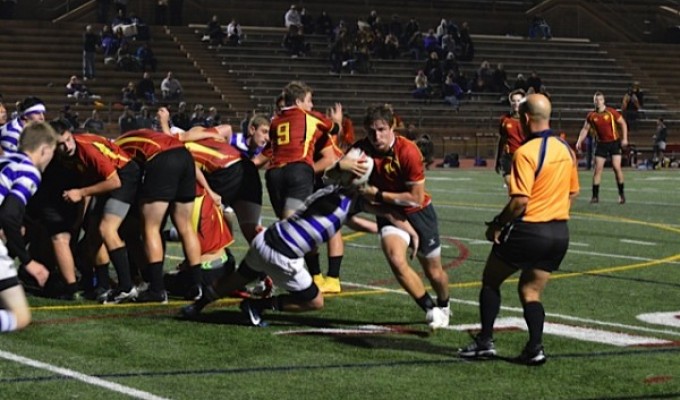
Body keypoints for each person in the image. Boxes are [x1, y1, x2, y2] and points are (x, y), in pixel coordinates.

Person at [180, 152, 418, 326]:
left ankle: (197, 307)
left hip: (265, 241)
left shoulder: (339, 199)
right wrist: (342, 167)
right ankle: (259, 306)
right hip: (283, 254)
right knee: (315, 302)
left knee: (235, 280)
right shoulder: (339, 195)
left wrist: (401, 230)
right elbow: (341, 184)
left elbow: (370, 215)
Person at [458, 93, 579, 365]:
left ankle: (485, 342)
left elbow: (520, 201)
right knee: (530, 291)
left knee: (491, 280)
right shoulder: (565, 149)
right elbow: (573, 192)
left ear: (525, 118)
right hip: (559, 233)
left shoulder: (525, 152)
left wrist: (497, 225)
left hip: (530, 231)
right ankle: (535, 347)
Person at [353, 104, 451, 330]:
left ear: (392, 128)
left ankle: (444, 303)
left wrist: (377, 194)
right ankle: (430, 308)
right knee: (396, 259)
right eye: (371, 131)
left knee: (434, 272)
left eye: (381, 129)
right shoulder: (360, 151)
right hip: (388, 213)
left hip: (418, 212)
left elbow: (415, 198)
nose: (376, 135)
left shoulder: (408, 151)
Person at [115, 109, 203, 303]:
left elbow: (126, 174)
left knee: (150, 228)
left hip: (162, 159)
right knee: (186, 227)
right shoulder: (148, 135)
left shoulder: (118, 145)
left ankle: (156, 289)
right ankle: (197, 286)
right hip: (185, 157)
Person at [51, 119, 142, 304]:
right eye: (60, 144)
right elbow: (88, 180)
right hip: (106, 180)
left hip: (124, 174)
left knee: (106, 229)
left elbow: (114, 182)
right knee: (93, 232)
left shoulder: (87, 149)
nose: (66, 146)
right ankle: (102, 286)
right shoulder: (65, 156)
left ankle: (126, 287)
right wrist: (79, 218)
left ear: (71, 134)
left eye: (68, 140)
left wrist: (81, 193)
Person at [0, 121, 57, 332]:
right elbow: (9, 215)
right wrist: (28, 261)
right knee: (20, 316)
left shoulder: (6, 159)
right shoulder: (29, 170)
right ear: (44, 150)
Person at [575, 91, 628, 204]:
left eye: (600, 100)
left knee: (616, 167)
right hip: (601, 144)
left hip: (614, 142)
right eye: (596, 100)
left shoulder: (611, 112)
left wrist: (624, 139)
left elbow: (623, 123)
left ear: (603, 101)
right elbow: (585, 129)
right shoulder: (591, 116)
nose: (598, 102)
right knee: (597, 170)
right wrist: (579, 141)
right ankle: (595, 197)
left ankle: (621, 194)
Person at [495, 89, 526, 187]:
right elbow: (502, 139)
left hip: (523, 157)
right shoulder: (505, 120)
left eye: (519, 101)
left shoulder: (528, 120)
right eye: (514, 101)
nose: (516, 103)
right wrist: (498, 159)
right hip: (508, 156)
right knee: (510, 184)